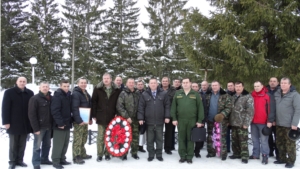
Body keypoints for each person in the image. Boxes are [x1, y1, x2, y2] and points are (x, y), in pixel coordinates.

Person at [2, 77, 34, 169]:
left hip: (25, 123)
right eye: (20, 81)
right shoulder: (9, 92)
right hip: (13, 122)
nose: (22, 83)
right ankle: (12, 161)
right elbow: (5, 108)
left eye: (24, 81)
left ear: (26, 83)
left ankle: (20, 160)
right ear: (16, 82)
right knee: (13, 144)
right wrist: (6, 121)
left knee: (22, 143)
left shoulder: (30, 93)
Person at [171, 78, 204, 164]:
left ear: (190, 83)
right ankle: (182, 155)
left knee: (190, 138)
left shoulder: (195, 94)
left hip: (192, 120)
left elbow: (200, 108)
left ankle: (189, 156)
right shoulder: (178, 93)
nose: (185, 84)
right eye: (184, 83)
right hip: (180, 120)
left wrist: (200, 120)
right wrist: (174, 118)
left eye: (187, 82)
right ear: (182, 84)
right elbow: (173, 107)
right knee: (181, 138)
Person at [138, 78, 170, 162]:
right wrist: (141, 118)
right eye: (151, 83)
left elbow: (167, 106)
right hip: (149, 121)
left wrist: (167, 117)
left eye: (154, 83)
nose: (153, 84)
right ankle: (151, 154)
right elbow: (141, 107)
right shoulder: (144, 94)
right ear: (149, 84)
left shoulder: (163, 93)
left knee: (159, 139)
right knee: (150, 139)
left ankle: (159, 154)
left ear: (157, 84)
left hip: (160, 121)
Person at [91, 73, 121, 162]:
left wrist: (117, 113)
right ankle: (99, 154)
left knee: (110, 136)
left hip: (112, 117)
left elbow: (118, 103)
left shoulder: (116, 90)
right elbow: (94, 102)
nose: (106, 80)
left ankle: (107, 153)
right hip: (100, 116)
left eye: (107, 78)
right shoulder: (97, 88)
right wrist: (94, 115)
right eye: (104, 78)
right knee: (100, 137)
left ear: (111, 79)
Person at [273, 77, 300, 168]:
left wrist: (294, 123)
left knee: (290, 144)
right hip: (279, 123)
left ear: (289, 84)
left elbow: (298, 110)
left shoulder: (295, 95)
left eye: (285, 83)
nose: (283, 84)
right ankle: (282, 158)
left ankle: (291, 161)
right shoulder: (277, 94)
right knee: (279, 142)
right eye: (282, 83)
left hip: (289, 125)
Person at [28, 82, 53, 169]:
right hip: (40, 127)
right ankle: (36, 162)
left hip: (48, 126)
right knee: (37, 146)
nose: (45, 88)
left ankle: (44, 159)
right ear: (40, 88)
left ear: (49, 88)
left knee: (47, 145)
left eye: (46, 86)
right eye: (43, 87)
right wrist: (35, 128)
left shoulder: (51, 98)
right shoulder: (35, 99)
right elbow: (32, 114)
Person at [205, 81, 232, 161]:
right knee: (210, 137)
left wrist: (222, 115)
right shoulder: (208, 95)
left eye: (216, 85)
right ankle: (211, 152)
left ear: (219, 86)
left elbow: (229, 107)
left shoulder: (225, 95)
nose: (214, 87)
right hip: (210, 119)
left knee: (221, 137)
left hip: (221, 120)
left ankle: (223, 154)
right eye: (213, 85)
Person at [250, 81, 275, 164]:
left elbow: (271, 110)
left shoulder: (267, 96)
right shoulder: (252, 95)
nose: (256, 88)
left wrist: (270, 120)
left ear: (262, 86)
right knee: (254, 139)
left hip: (263, 122)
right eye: (255, 86)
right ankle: (255, 154)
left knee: (264, 140)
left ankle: (265, 155)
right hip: (253, 122)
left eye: (258, 86)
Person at [229, 81, 254, 164]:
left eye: (239, 86)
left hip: (242, 122)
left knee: (243, 140)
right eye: (236, 86)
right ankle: (236, 153)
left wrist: (246, 123)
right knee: (234, 139)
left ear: (243, 87)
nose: (238, 88)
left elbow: (250, 111)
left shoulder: (247, 97)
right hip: (233, 122)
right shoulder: (232, 96)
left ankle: (244, 156)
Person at [51, 79, 73, 169]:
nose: (66, 88)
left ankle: (62, 158)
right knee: (58, 144)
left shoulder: (68, 95)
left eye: (68, 86)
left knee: (65, 143)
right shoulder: (57, 96)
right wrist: (60, 123)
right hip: (59, 124)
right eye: (64, 86)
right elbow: (55, 111)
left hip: (67, 123)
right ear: (60, 86)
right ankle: (56, 160)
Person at [117, 78, 140, 160]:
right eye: (129, 82)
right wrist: (127, 117)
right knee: (125, 136)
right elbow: (119, 106)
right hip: (126, 119)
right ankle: (124, 153)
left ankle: (134, 152)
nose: (131, 84)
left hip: (136, 119)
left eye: (132, 82)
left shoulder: (138, 93)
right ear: (126, 83)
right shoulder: (123, 93)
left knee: (135, 137)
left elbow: (141, 106)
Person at [72, 77, 92, 164]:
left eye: (85, 83)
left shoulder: (86, 93)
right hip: (79, 120)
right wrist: (78, 120)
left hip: (85, 119)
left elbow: (88, 106)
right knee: (78, 138)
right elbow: (74, 108)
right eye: (82, 83)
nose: (83, 84)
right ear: (78, 83)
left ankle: (82, 153)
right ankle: (76, 156)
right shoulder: (76, 93)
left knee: (84, 137)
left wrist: (90, 118)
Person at [160, 77, 176, 155]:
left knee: (169, 132)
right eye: (163, 81)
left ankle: (167, 148)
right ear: (161, 82)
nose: (165, 82)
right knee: (158, 132)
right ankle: (158, 147)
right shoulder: (157, 89)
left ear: (169, 82)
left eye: (166, 81)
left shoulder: (174, 90)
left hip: (170, 114)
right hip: (159, 113)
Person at [266, 77, 280, 158]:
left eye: (274, 81)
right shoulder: (266, 91)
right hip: (267, 118)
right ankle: (270, 151)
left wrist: (274, 119)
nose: (272, 83)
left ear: (278, 83)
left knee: (277, 137)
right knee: (268, 136)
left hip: (277, 119)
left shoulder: (280, 91)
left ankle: (278, 153)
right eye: (271, 81)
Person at [191, 82, 204, 158]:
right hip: (189, 119)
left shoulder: (202, 96)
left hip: (199, 119)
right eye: (193, 86)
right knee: (190, 137)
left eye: (196, 86)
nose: (194, 88)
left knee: (198, 137)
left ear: (198, 88)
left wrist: (202, 120)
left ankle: (197, 151)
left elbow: (204, 109)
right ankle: (190, 150)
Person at [136, 80, 146, 153]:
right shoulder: (134, 92)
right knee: (135, 132)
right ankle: (134, 146)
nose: (140, 85)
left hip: (144, 115)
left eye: (141, 84)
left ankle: (141, 146)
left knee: (142, 132)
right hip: (135, 115)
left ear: (143, 85)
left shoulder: (146, 93)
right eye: (138, 84)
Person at [226, 81, 235, 153]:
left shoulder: (238, 94)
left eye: (231, 86)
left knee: (235, 135)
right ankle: (227, 148)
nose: (230, 87)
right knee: (227, 134)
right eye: (228, 86)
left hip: (236, 118)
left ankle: (236, 150)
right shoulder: (225, 94)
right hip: (227, 118)